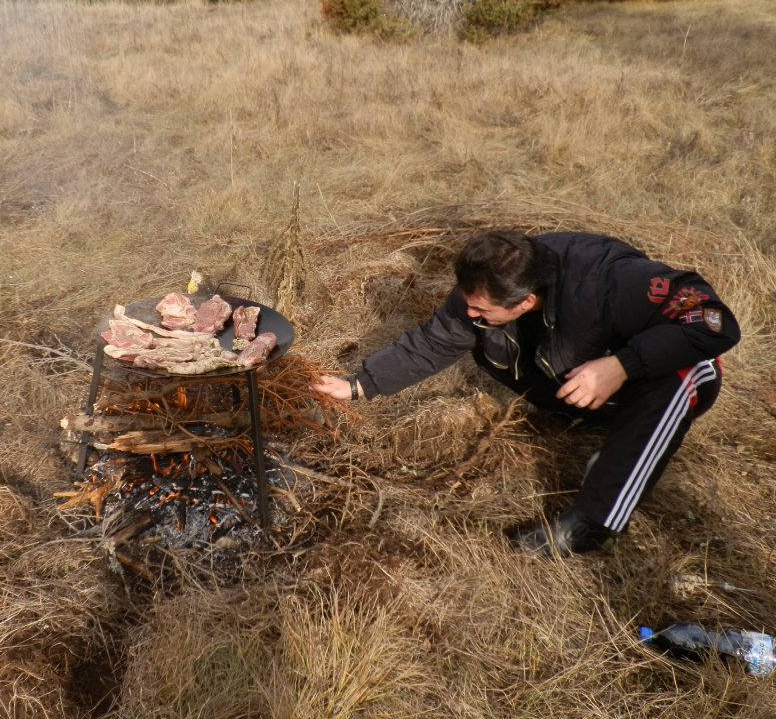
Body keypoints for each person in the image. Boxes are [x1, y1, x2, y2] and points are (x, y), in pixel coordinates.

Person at [312, 230, 741, 557]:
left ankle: (591, 523)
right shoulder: (488, 282)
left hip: (650, 376)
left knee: (686, 371)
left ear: (525, 300)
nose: (471, 313)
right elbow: (435, 341)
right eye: (469, 303)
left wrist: (621, 365)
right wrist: (358, 385)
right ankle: (604, 433)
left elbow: (714, 322)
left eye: (483, 310)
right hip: (577, 382)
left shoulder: (612, 281)